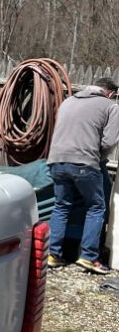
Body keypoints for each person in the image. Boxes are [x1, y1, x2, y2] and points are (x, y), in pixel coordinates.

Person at [47, 76, 119, 274]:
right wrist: (98, 156)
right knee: (96, 207)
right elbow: (110, 141)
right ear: (111, 93)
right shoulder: (111, 106)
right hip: (84, 163)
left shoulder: (69, 101)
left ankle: (53, 255)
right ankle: (88, 257)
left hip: (56, 161)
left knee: (61, 206)